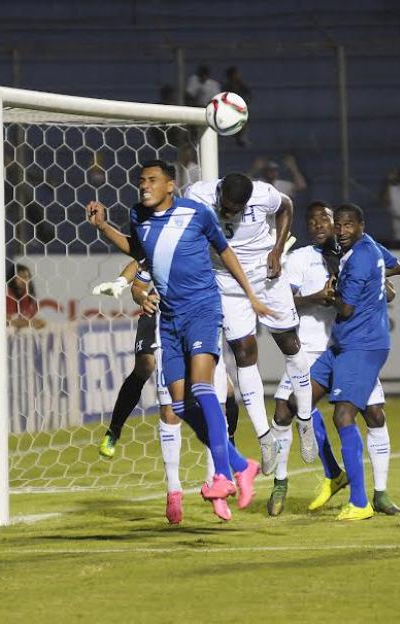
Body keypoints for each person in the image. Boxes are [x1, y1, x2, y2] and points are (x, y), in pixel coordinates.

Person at [86, 160, 270, 521]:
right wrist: (103, 227)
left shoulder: (197, 213)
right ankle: (240, 465)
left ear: (171, 186)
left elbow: (226, 251)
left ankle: (222, 474)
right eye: (141, 180)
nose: (145, 186)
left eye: (153, 180)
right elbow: (138, 251)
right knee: (180, 405)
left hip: (202, 311)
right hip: (168, 318)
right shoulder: (138, 214)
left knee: (203, 389)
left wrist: (250, 294)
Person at [271, 202, 400, 517]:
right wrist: (319, 296)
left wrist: (374, 282)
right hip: (324, 347)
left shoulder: (356, 254)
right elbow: (285, 298)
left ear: (345, 225)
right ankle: (328, 474)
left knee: (373, 415)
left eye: (328, 220)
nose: (322, 225)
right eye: (312, 219)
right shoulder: (303, 258)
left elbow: (374, 283)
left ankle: (376, 496)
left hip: (354, 346)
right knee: (292, 405)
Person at [184, 173, 317, 477]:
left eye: (235, 210)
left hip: (266, 277)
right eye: (225, 208)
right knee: (244, 354)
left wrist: (277, 249)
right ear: (218, 193)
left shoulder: (263, 194)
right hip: (227, 282)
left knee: (290, 345)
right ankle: (264, 437)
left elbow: (286, 206)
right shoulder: (199, 194)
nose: (228, 214)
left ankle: (305, 419)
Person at [6, 263, 46, 329]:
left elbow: (28, 316)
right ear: (12, 278)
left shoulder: (27, 295)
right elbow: (7, 322)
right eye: (20, 277)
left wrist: (34, 321)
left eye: (26, 277)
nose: (23, 280)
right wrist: (30, 323)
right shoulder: (8, 295)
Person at [222, 66, 252, 147]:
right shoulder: (226, 86)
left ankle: (241, 136)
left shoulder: (241, 85)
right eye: (237, 74)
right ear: (232, 75)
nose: (238, 75)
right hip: (229, 108)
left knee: (245, 115)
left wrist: (245, 102)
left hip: (239, 107)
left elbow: (249, 94)